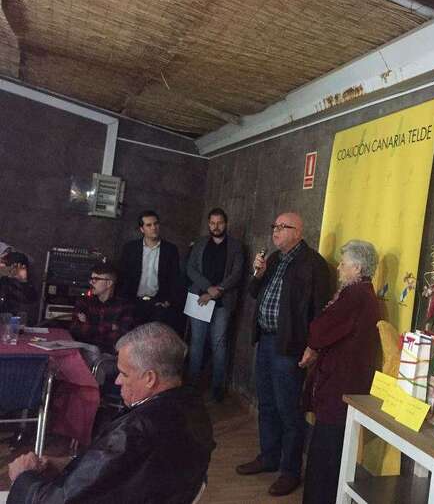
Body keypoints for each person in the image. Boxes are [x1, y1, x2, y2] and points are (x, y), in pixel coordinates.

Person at [7, 322, 215, 504]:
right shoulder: (194, 408)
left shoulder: (135, 432)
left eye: (124, 374)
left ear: (150, 378)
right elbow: (114, 471)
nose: (117, 381)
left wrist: (23, 478)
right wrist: (67, 464)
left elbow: (58, 501)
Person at [236, 212, 330, 497]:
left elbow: (320, 310)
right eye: (274, 226)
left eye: (282, 227)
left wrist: (313, 346)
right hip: (265, 340)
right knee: (266, 403)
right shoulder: (274, 259)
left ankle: (290, 471)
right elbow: (254, 292)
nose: (275, 231)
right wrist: (258, 273)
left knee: (288, 409)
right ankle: (269, 457)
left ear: (298, 232)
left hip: (289, 346)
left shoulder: (313, 264)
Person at [299, 239, 381, 504]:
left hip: (340, 385)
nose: (338, 268)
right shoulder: (362, 293)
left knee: (326, 454)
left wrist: (312, 344)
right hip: (344, 381)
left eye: (343, 263)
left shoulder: (355, 295)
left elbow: (324, 328)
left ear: (357, 268)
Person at [186, 207, 244, 402]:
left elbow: (237, 273)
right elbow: (191, 269)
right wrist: (208, 288)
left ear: (226, 224)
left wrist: (217, 290)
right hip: (200, 298)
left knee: (219, 345)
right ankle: (192, 386)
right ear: (208, 224)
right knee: (196, 344)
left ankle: (218, 388)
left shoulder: (236, 246)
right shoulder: (200, 243)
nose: (216, 226)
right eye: (212, 223)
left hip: (222, 302)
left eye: (219, 223)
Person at [118, 210, 181, 329]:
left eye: (156, 224)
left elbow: (175, 278)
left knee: (155, 337)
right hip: (133, 302)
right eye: (149, 225)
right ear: (142, 229)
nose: (153, 228)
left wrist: (168, 301)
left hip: (158, 303)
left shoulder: (170, 249)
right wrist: (124, 300)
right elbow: (123, 275)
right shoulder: (130, 248)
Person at [69, 263, 134, 354]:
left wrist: (88, 325)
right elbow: (75, 330)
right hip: (83, 352)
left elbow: (121, 338)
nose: (91, 282)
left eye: (95, 279)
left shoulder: (124, 306)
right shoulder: (83, 302)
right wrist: (110, 327)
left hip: (110, 356)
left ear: (109, 283)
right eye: (91, 279)